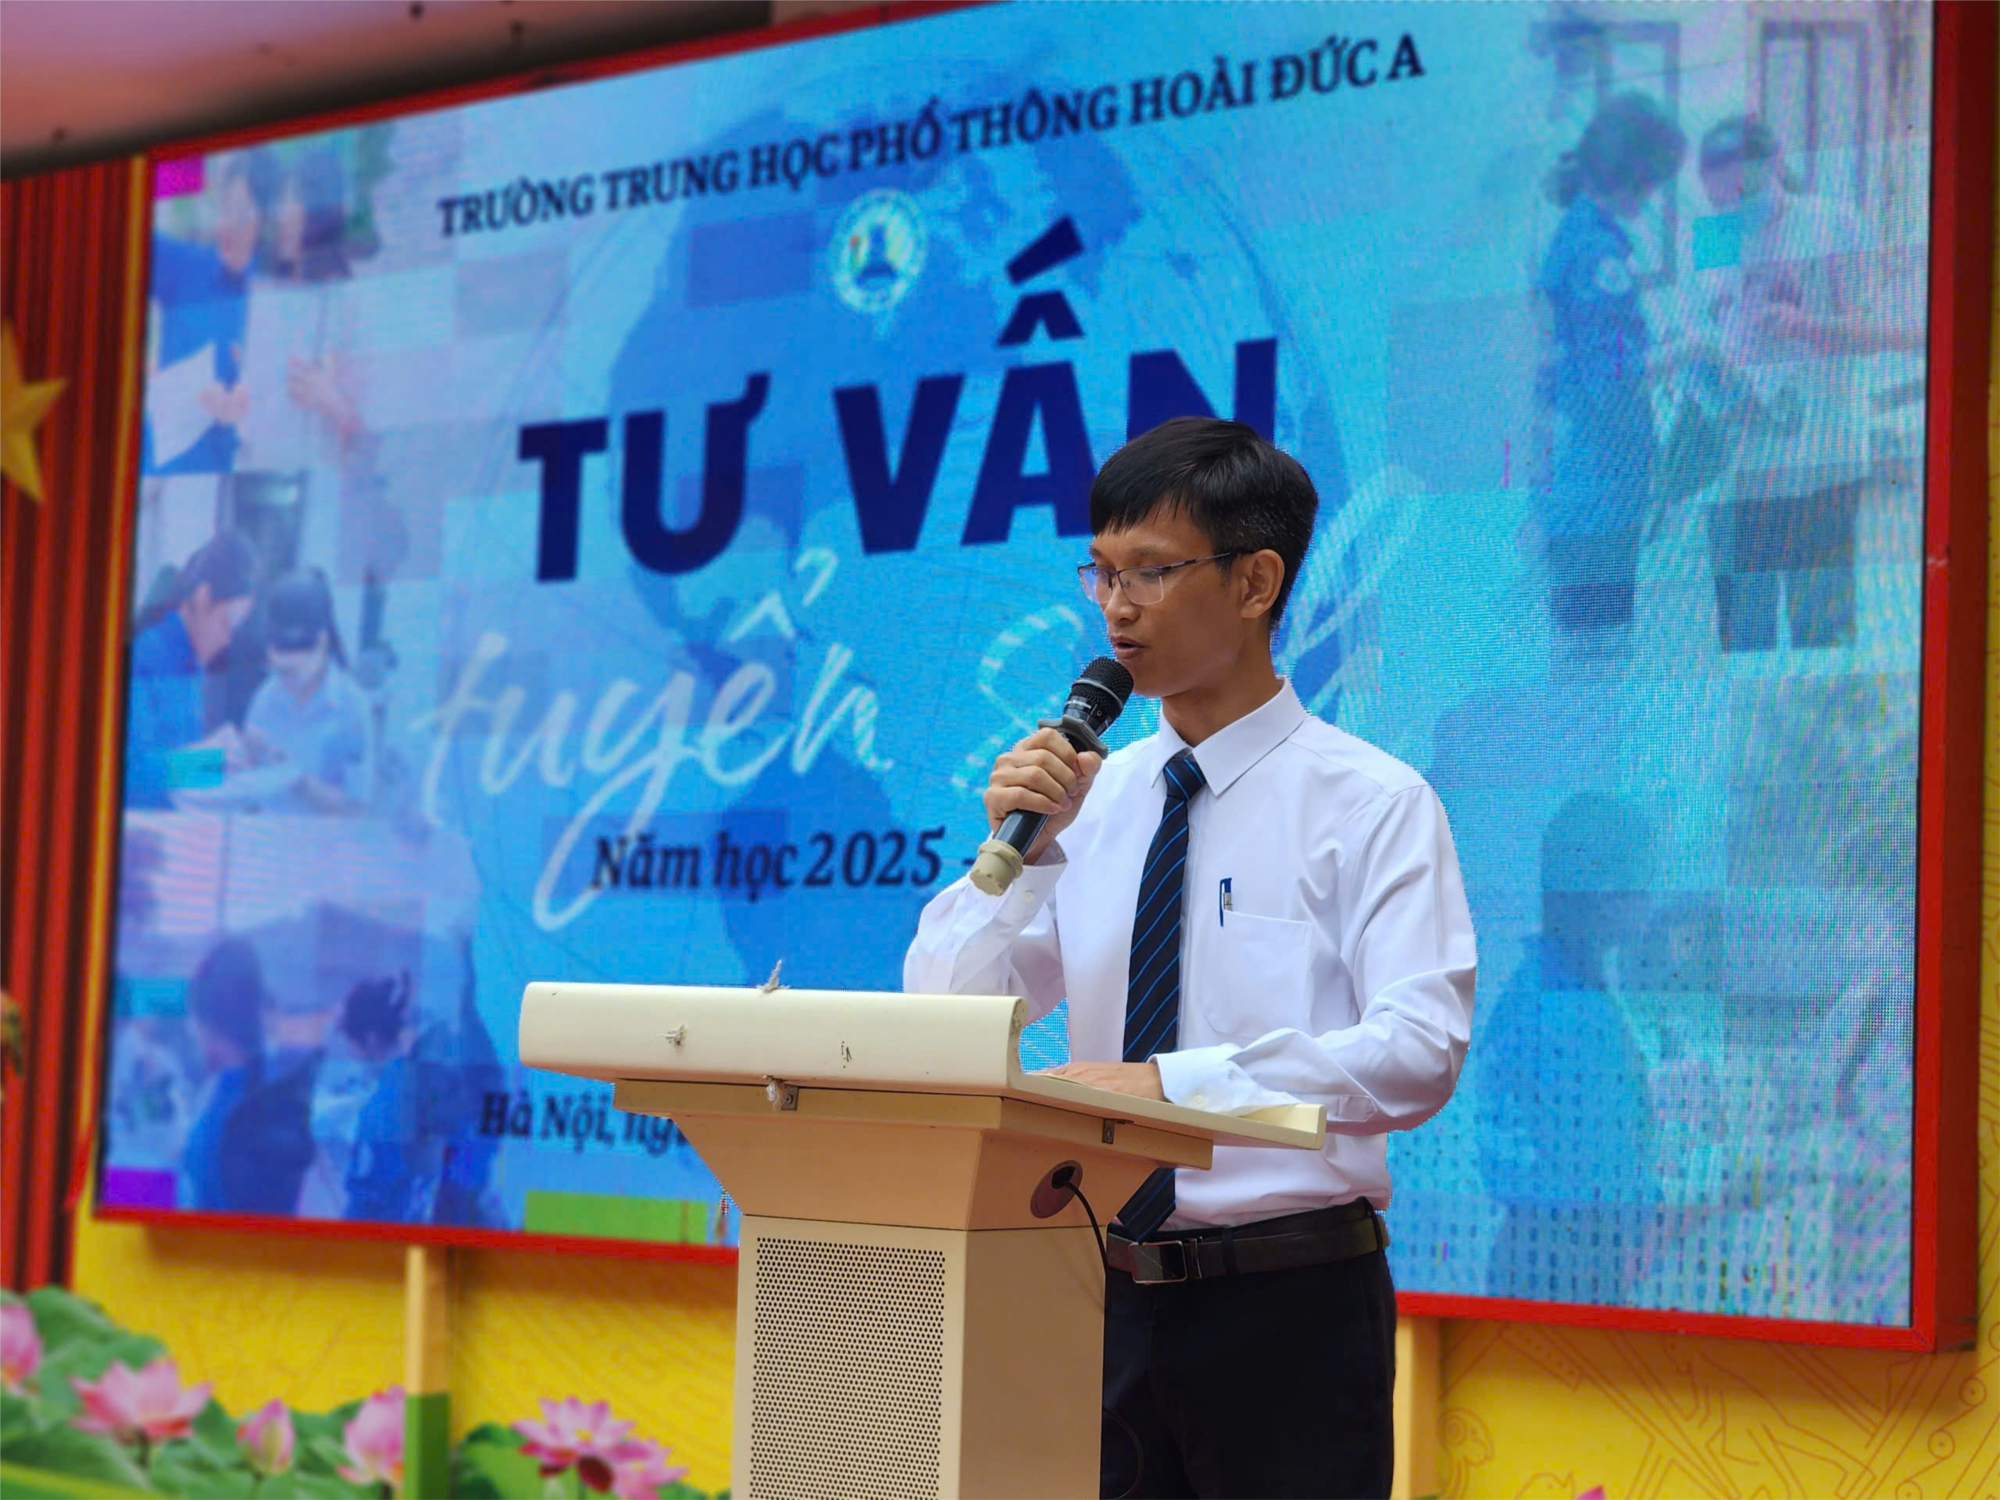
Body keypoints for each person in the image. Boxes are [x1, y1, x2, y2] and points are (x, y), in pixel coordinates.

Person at [905, 417, 1477, 1500]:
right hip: (1096, 1295)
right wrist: (1020, 855)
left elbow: (1418, 1052)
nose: (1116, 608)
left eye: (1152, 572)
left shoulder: (1371, 803)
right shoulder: (1094, 797)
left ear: (1255, 581)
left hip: (1289, 1305)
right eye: (1101, 573)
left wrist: (1171, 1091)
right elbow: (943, 1011)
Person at [1694, 117, 1919, 653]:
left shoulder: (1833, 223)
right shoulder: (1714, 235)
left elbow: (1887, 333)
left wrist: (1808, 328)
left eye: (1743, 192)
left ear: (1775, 164)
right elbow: (1710, 327)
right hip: (1740, 469)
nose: (1732, 209)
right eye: (1719, 200)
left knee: (1822, 640)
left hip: (1821, 461)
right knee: (1742, 639)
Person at [1475, 793, 1661, 1306]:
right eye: (1641, 886)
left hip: (1558, 1254)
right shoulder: (1565, 1011)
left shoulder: (1554, 989)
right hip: (1566, 1265)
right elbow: (1600, 1162)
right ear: (1604, 895)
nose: (1650, 904)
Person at [1532, 93, 1686, 662]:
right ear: (1635, 176)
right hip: (1600, 483)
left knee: (1581, 650)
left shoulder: (1571, 235)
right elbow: (1612, 375)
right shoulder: (1596, 251)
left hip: (1578, 480)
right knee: (1599, 658)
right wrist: (1692, 351)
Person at [145, 151, 276, 475]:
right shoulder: (189, 267)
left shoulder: (274, 300)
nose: (226, 225)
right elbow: (123, 229)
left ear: (264, 221)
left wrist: (239, 412)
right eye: (224, 210)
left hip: (227, 477)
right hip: (158, 474)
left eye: (240, 213)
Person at [124, 531, 259, 809]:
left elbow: (178, 763)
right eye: (226, 623)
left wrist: (229, 758)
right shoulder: (145, 657)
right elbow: (128, 774)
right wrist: (209, 759)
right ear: (202, 597)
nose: (227, 640)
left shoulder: (191, 664)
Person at [242, 568, 374, 813]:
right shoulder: (266, 697)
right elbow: (249, 794)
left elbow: (357, 809)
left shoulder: (351, 706)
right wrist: (243, 757)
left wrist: (298, 780)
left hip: (325, 837)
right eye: (279, 671)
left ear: (322, 642)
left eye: (292, 672)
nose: (284, 682)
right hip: (266, 833)